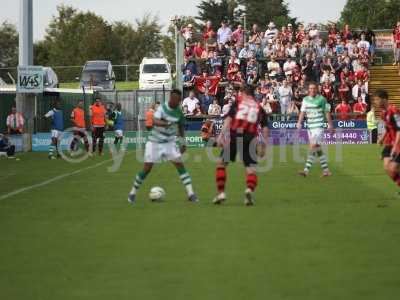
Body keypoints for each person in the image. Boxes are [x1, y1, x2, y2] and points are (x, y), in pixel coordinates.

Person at [128, 89, 198, 203]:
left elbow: (181, 128)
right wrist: (166, 123)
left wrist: (183, 143)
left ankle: (191, 194)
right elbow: (154, 121)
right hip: (154, 142)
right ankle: (132, 193)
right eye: (175, 99)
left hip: (169, 143)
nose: (177, 102)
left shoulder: (179, 113)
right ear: (171, 98)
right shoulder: (162, 108)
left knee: (180, 165)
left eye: (178, 100)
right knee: (147, 169)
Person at [213, 86, 269, 206]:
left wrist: (221, 135)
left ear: (243, 93)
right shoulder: (259, 107)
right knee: (251, 168)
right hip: (250, 138)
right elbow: (265, 127)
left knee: (222, 163)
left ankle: (221, 193)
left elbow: (228, 119)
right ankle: (249, 190)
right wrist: (264, 145)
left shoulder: (238, 101)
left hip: (235, 135)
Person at [297, 83, 333, 177]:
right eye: (310, 88)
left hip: (319, 127)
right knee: (317, 148)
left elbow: (327, 112)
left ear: (317, 89)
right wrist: (299, 122)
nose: (312, 90)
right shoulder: (305, 100)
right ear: (308, 89)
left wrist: (330, 125)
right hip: (310, 128)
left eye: (314, 88)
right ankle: (326, 171)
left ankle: (305, 171)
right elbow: (302, 112)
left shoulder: (322, 99)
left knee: (312, 146)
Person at [373, 89, 400, 191]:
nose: (375, 102)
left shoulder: (394, 111)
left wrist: (395, 148)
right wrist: (382, 138)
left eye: (377, 100)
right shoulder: (383, 113)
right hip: (390, 143)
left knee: (393, 168)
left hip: (397, 142)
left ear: (384, 99)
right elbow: (388, 128)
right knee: (387, 167)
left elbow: (399, 130)